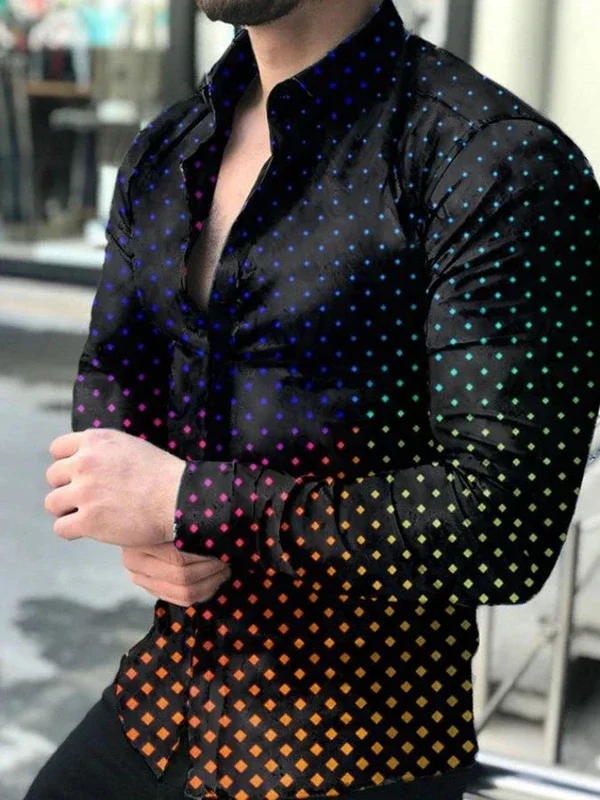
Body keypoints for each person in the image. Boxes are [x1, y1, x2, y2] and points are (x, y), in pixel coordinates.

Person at [28, 0, 600, 798]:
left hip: (353, 751)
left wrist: (187, 502)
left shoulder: (495, 161)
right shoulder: (171, 143)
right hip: (166, 704)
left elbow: (504, 527)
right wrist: (137, 519)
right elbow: (115, 372)